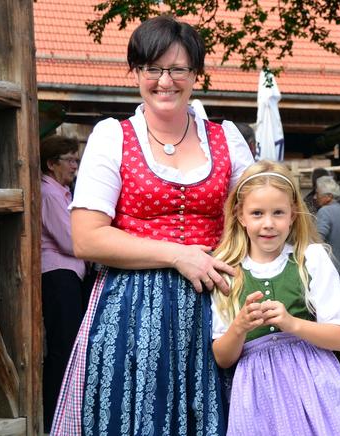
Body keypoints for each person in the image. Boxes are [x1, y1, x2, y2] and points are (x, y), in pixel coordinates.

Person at [50, 15, 254, 435]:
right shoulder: (113, 137)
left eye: (178, 69)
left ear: (196, 74)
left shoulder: (227, 138)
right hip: (132, 308)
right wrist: (178, 255)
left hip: (219, 305)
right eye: (152, 68)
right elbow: (86, 238)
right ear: (136, 73)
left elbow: (258, 216)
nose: (165, 81)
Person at [210, 161, 340, 436]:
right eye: (257, 213)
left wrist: (293, 324)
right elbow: (223, 358)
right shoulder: (228, 272)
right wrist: (240, 327)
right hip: (258, 397)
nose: (268, 224)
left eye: (278, 213)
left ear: (292, 214)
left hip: (314, 389)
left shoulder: (311, 259)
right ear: (240, 215)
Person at [39, 135, 86, 432]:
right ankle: (53, 417)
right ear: (51, 164)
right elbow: (72, 242)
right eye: (69, 160)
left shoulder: (63, 193)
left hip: (68, 275)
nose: (74, 166)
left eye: (76, 160)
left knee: (68, 345)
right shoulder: (50, 194)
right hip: (58, 275)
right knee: (63, 347)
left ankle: (61, 415)